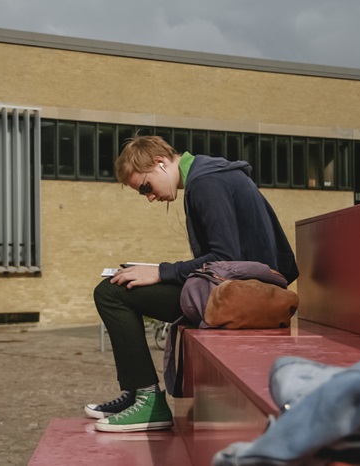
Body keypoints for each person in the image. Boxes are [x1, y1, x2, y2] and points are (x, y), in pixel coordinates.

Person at [86, 135, 299, 433]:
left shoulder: (205, 183)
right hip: (246, 290)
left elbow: (225, 257)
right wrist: (159, 270)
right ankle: (138, 394)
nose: (149, 197)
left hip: (240, 298)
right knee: (123, 283)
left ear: (160, 163)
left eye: (145, 187)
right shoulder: (211, 175)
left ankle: (147, 400)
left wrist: (162, 272)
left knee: (111, 293)